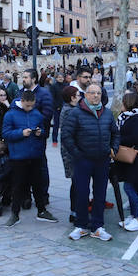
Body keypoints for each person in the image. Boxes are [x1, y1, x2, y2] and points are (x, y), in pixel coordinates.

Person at [62, 82, 119, 242]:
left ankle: (97, 226)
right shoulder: (75, 113)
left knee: (100, 194)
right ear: (86, 95)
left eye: (98, 93)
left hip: (102, 160)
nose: (95, 96)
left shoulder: (107, 113)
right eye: (92, 93)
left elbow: (115, 133)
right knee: (82, 193)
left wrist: (113, 149)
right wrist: (77, 154)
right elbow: (66, 136)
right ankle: (81, 226)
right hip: (83, 161)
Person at [2, 89, 57, 226]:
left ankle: (42, 210)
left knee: (38, 185)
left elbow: (44, 132)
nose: (30, 108)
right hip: (18, 156)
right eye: (27, 105)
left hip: (35, 155)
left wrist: (40, 132)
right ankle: (15, 214)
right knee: (18, 186)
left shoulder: (36, 114)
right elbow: (6, 134)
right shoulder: (10, 115)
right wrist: (21, 133)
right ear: (22, 101)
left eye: (32, 105)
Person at [116, 91, 138, 232]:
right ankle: (133, 215)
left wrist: (117, 140)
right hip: (130, 157)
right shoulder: (127, 117)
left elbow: (134, 138)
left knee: (129, 187)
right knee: (131, 187)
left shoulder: (137, 118)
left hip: (135, 157)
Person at [58, 85, 80, 222]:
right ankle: (75, 212)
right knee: (77, 182)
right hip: (71, 152)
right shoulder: (69, 111)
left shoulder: (71, 109)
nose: (80, 97)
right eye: (78, 95)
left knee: (76, 182)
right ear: (72, 97)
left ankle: (75, 211)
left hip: (71, 151)